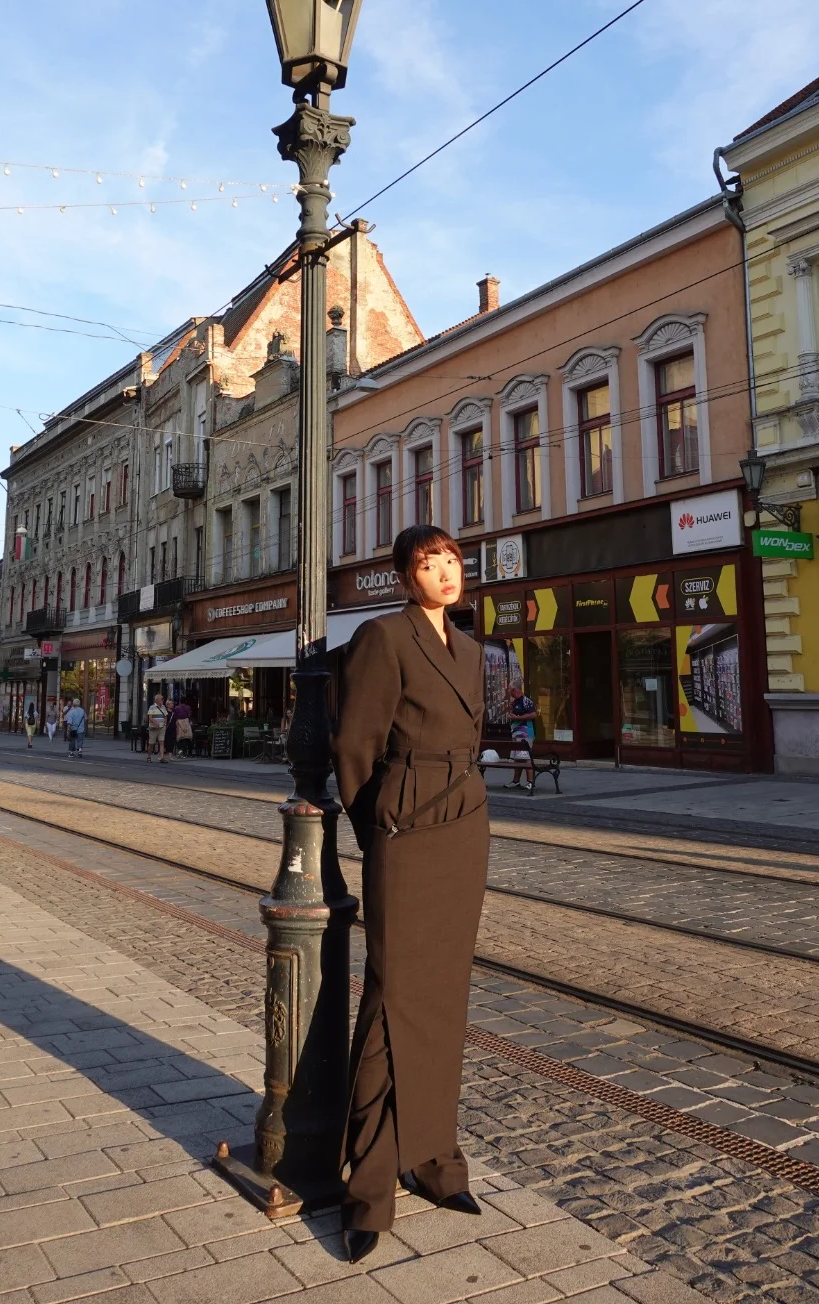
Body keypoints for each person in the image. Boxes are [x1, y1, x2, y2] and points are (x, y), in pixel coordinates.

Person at [331, 524, 488, 1265]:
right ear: (404, 577)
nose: (445, 572)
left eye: (451, 559)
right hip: (404, 828)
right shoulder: (384, 638)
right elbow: (354, 747)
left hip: (464, 826)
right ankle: (368, 1191)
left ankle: (435, 1162)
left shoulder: (474, 650)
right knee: (391, 999)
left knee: (444, 998)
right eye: (429, 563)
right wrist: (380, 827)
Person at [507, 681, 537, 792]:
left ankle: (530, 782)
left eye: (509, 689)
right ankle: (516, 781)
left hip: (525, 733)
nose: (508, 692)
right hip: (516, 733)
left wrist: (517, 718)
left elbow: (533, 715)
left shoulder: (526, 701)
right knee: (518, 758)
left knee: (526, 758)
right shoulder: (515, 702)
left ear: (514, 690)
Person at [146, 694, 170, 764]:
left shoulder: (163, 707)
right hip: (153, 728)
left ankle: (161, 758)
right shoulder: (152, 707)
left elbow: (165, 716)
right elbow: (150, 717)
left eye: (163, 699)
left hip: (162, 728)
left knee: (161, 742)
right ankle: (149, 757)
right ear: (157, 700)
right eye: (162, 699)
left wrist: (165, 724)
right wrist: (155, 723)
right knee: (151, 743)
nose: (163, 700)